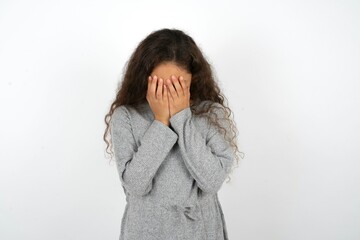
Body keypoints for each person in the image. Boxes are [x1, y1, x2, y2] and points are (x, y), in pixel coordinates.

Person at [103, 28, 242, 240]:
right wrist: (161, 122)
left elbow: (212, 181)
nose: (169, 94)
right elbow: (135, 185)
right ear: (145, 79)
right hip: (145, 231)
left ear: (193, 80)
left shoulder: (212, 114)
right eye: (160, 85)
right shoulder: (127, 117)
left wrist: (181, 117)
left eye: (178, 85)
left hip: (200, 231)